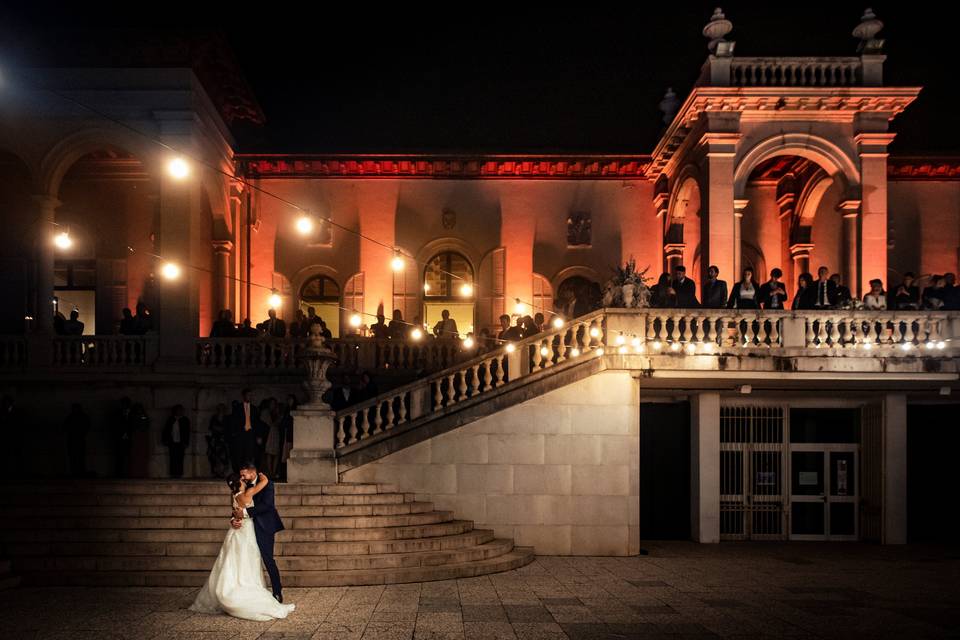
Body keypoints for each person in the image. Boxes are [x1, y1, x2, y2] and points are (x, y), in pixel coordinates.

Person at [189, 469, 294, 619]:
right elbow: (235, 511)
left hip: (261, 527)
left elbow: (267, 507)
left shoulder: (245, 492)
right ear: (239, 483)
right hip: (246, 531)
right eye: (242, 478)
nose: (244, 478)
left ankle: (277, 592)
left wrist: (241, 516)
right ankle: (244, 588)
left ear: (252, 471)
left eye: (244, 475)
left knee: (264, 559)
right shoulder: (248, 492)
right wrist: (234, 519)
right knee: (245, 560)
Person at [232, 390, 259, 469]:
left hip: (250, 433)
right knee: (240, 453)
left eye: (251, 395)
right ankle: (240, 471)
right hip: (241, 433)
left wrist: (258, 435)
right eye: (248, 395)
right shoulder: (238, 408)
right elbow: (234, 421)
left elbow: (257, 422)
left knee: (250, 453)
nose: (249, 397)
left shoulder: (254, 408)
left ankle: (248, 471)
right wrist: (235, 433)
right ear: (244, 396)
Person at [162, 404, 191, 478]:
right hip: (172, 442)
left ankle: (179, 474)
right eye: (178, 410)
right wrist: (166, 440)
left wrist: (186, 442)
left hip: (181, 443)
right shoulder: (171, 419)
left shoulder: (185, 420)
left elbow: (187, 432)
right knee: (173, 458)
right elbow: (166, 430)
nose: (180, 411)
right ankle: (173, 474)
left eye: (181, 410)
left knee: (180, 458)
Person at [64, 403, 90, 477]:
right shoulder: (74, 417)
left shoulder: (71, 417)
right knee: (75, 457)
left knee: (78, 457)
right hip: (76, 440)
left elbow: (65, 427)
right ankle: (77, 472)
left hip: (76, 440)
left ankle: (78, 472)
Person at [207, 403, 231, 478]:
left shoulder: (227, 418)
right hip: (215, 440)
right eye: (219, 408)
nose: (221, 410)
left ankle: (222, 472)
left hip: (223, 440)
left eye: (222, 408)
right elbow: (211, 427)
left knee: (223, 457)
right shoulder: (214, 417)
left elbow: (227, 428)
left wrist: (220, 429)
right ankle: (216, 472)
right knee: (214, 457)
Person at [112, 397, 133, 478]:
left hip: (130, 438)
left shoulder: (132, 413)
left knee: (129, 456)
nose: (124, 406)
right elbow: (115, 424)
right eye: (123, 404)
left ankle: (128, 473)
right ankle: (119, 474)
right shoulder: (117, 413)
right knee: (119, 456)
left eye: (126, 404)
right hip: (119, 438)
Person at [128, 403, 151, 478]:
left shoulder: (144, 417)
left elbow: (146, 424)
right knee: (135, 456)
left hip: (142, 438)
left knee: (142, 456)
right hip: (135, 437)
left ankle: (142, 473)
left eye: (140, 409)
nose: (139, 410)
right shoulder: (132, 417)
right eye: (137, 409)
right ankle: (135, 473)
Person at [262, 398, 282, 477]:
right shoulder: (266, 412)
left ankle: (273, 471)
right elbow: (266, 422)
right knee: (269, 453)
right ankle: (270, 471)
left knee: (276, 453)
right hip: (269, 434)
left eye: (274, 403)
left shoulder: (277, 412)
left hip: (276, 433)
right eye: (271, 403)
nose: (273, 405)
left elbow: (279, 422)